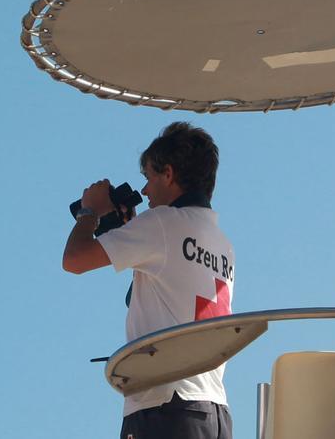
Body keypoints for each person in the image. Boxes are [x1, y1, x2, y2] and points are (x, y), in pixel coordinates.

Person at [63, 122, 235, 439]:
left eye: (149, 178)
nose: (144, 191)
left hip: (163, 404)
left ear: (168, 174)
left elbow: (74, 260)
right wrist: (131, 236)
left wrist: (89, 212)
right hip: (212, 409)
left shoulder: (161, 223)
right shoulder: (221, 241)